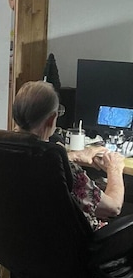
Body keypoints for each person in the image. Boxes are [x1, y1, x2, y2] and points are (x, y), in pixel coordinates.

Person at [12, 80, 125, 230]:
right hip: (78, 248)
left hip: (17, 242)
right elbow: (113, 207)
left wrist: (73, 156)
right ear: (52, 119)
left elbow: (39, 153)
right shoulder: (66, 169)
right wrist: (114, 168)